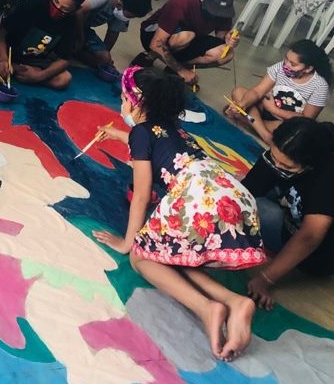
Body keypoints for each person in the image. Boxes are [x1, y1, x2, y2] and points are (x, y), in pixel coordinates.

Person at [92, 67, 264, 360]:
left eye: (124, 99)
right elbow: (156, 145)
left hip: (197, 201)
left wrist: (126, 242)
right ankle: (233, 301)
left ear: (137, 103)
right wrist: (122, 136)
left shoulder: (140, 133)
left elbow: (142, 194)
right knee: (173, 250)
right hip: (230, 195)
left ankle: (206, 308)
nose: (122, 105)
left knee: (142, 256)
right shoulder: (172, 126)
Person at [243, 118, 334, 309]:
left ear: (311, 164)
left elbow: (310, 237)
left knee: (257, 208)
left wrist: (265, 279)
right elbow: (248, 188)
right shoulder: (281, 154)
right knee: (242, 194)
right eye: (274, 157)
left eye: (288, 167)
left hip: (321, 256)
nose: (277, 165)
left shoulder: (330, 177)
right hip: (306, 216)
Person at [227, 39, 334, 145]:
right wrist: (243, 104)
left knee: (298, 131)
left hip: (286, 122)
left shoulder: (320, 86)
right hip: (264, 109)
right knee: (239, 91)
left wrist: (273, 109)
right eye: (286, 59)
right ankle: (265, 133)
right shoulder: (280, 67)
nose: (286, 65)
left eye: (293, 64)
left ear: (308, 68)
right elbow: (257, 91)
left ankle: (250, 121)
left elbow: (306, 119)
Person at [134, 0, 239, 85]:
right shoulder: (180, 3)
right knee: (186, 36)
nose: (216, 15)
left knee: (226, 54)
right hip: (153, 35)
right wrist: (181, 71)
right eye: (212, 10)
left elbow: (221, 37)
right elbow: (155, 43)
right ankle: (150, 56)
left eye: (220, 12)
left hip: (191, 39)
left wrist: (229, 39)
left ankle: (175, 68)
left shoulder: (224, 11)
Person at [0, 0, 92, 90]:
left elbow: (64, 59)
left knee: (63, 80)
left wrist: (39, 76)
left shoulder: (71, 20)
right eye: (56, 1)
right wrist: (2, 60)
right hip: (8, 51)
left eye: (65, 9)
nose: (57, 9)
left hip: (33, 60)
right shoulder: (33, 0)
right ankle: (13, 69)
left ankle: (17, 72)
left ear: (76, 9)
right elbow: (1, 32)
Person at [73, 0, 152, 68]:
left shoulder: (121, 12)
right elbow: (78, 10)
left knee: (104, 59)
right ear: (119, 4)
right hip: (67, 20)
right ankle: (69, 46)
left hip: (83, 29)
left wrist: (106, 57)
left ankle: (73, 51)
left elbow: (113, 33)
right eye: (129, 16)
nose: (128, 18)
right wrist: (80, 38)